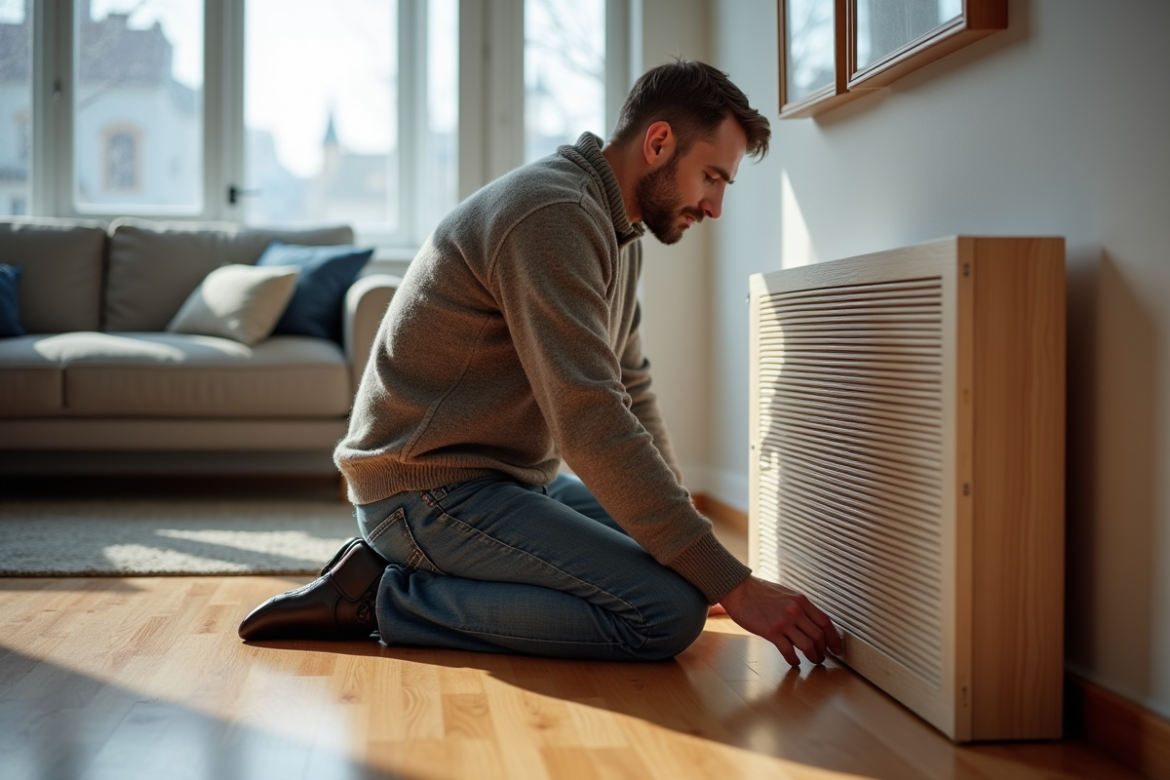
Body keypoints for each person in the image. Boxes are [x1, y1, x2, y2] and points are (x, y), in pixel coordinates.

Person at [239, 60, 843, 667]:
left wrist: (698, 555)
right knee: (664, 612)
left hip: (506, 479)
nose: (714, 206)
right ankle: (380, 597)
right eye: (712, 177)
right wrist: (733, 583)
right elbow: (590, 419)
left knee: (682, 562)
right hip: (423, 489)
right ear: (659, 143)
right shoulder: (552, 214)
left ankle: (421, 580)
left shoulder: (617, 231)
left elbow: (631, 387)